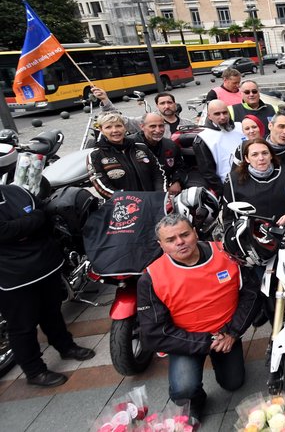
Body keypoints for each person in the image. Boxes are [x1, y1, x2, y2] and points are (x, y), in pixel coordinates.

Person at [137, 215, 259, 420]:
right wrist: (207, 342)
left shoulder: (227, 253)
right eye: (170, 239)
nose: (180, 242)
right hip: (185, 340)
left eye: (184, 234)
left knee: (233, 383)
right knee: (183, 391)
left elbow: (252, 294)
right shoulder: (151, 277)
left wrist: (233, 332)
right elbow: (154, 334)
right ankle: (195, 400)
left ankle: (225, 357)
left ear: (195, 232)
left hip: (227, 333)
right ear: (161, 244)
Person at [0, 185, 95, 388]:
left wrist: (25, 226)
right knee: (22, 327)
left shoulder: (14, 191)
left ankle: (66, 346)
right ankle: (34, 371)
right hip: (13, 277)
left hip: (45, 264)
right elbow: (5, 231)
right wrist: (32, 221)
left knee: (52, 312)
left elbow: (43, 212)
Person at [223, 138, 285, 226]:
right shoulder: (233, 179)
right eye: (255, 155)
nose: (261, 158)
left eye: (265, 153)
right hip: (252, 234)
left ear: (271, 155)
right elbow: (228, 218)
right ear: (247, 159)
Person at [88, 111, 166, 199]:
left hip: (151, 201)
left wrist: (160, 195)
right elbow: (102, 187)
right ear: (101, 130)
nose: (115, 130)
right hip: (122, 206)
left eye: (118, 126)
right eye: (108, 127)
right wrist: (130, 200)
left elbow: (158, 174)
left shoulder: (141, 148)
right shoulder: (96, 155)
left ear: (124, 127)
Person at [193, 100, 245, 195]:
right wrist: (223, 192)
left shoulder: (242, 127)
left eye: (225, 112)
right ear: (209, 116)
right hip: (228, 186)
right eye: (217, 114)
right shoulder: (203, 138)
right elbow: (208, 172)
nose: (222, 117)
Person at [132, 112, 187, 195]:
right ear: (142, 127)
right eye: (152, 126)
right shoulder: (130, 145)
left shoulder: (171, 145)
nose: (158, 130)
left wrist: (177, 181)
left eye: (161, 126)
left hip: (166, 191)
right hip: (139, 193)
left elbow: (180, 167)